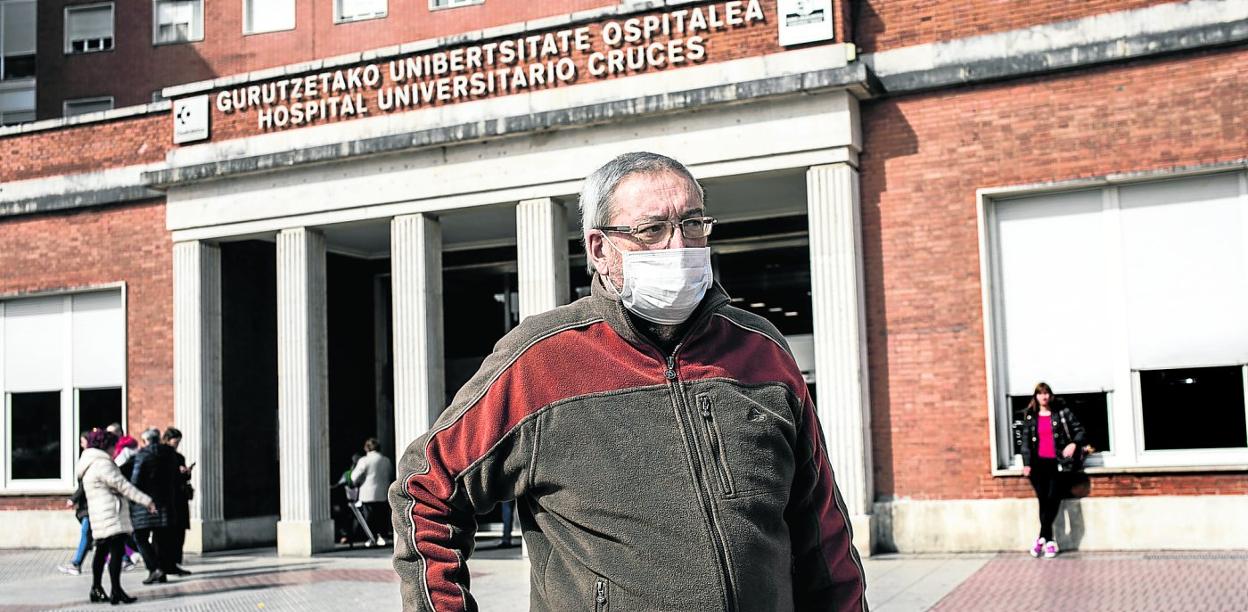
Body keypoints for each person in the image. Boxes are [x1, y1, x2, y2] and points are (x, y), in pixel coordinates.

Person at [390, 152, 866, 611]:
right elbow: (427, 487)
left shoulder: (761, 350)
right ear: (601, 249)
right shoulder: (541, 359)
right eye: (652, 229)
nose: (679, 247)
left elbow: (822, 529)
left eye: (693, 224)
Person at [77, 429, 157, 605]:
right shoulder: (102, 464)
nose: (115, 450)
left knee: (101, 552)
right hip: (111, 513)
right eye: (114, 446)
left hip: (99, 513)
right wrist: (147, 501)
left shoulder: (88, 463)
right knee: (116, 551)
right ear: (106, 446)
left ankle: (96, 588)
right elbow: (123, 486)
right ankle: (116, 591)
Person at [1020, 382, 1087, 559]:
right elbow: (1025, 444)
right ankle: (1049, 540)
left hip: (1058, 464)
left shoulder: (1062, 414)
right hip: (1037, 466)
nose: (1044, 396)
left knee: (1053, 499)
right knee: (1044, 500)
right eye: (1040, 393)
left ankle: (1042, 538)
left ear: (1051, 395)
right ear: (1036, 396)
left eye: (1047, 393)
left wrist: (1073, 444)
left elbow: (1080, 431)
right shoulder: (1030, 417)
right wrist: (1026, 463)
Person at [129, 428, 177, 584]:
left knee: (140, 537)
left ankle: (154, 568)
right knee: (161, 539)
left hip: (145, 504)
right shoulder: (170, 454)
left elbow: (135, 481)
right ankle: (161, 571)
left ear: (145, 441)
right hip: (165, 502)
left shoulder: (142, 456)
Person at [57, 432, 94, 576]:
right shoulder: (88, 457)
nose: (81, 444)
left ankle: (76, 564)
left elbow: (85, 484)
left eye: (82, 441)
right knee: (100, 538)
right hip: (89, 504)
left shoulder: (90, 459)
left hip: (91, 504)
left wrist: (73, 498)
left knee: (87, 532)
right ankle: (127, 557)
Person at [162, 427, 193, 576]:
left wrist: (186, 473)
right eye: (175, 442)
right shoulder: (162, 456)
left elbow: (181, 479)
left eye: (178, 442)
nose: (176, 445)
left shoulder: (179, 457)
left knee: (179, 531)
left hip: (179, 498)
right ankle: (166, 563)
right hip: (169, 499)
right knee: (169, 533)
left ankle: (174, 562)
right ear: (167, 440)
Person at [352, 437, 394, 547]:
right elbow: (390, 475)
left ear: (366, 448)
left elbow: (354, 477)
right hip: (383, 492)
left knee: (369, 518)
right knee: (382, 516)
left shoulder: (364, 460)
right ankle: (382, 536)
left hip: (367, 494)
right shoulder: (386, 460)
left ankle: (371, 538)